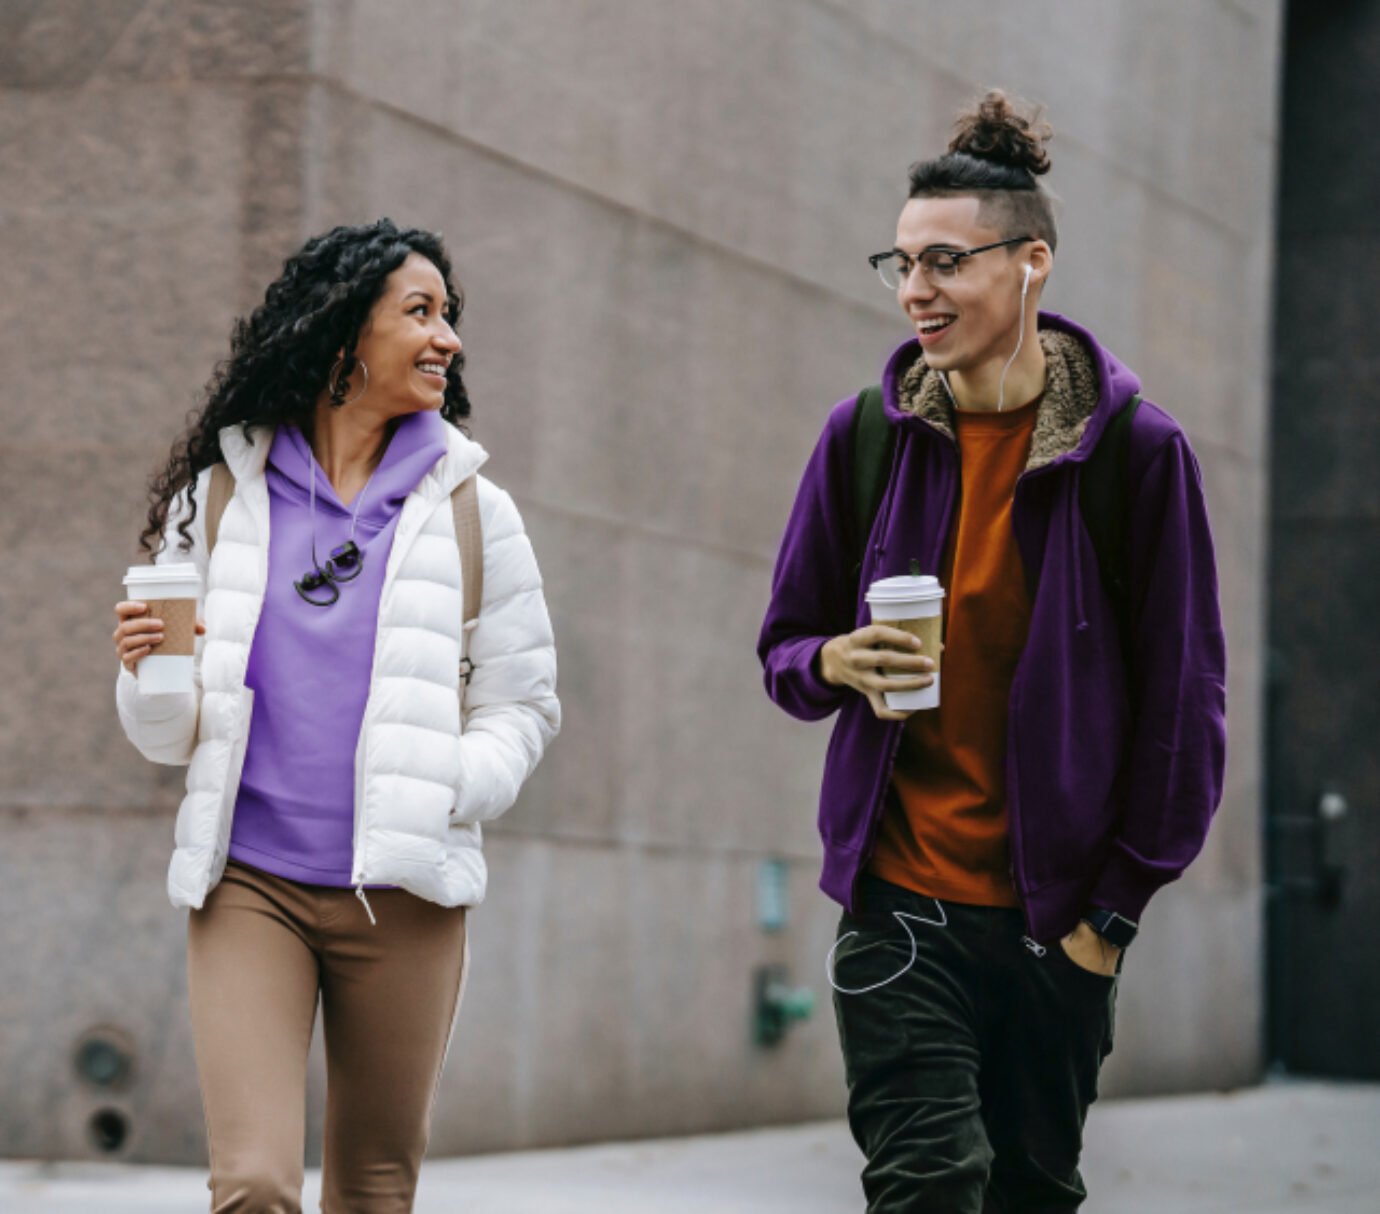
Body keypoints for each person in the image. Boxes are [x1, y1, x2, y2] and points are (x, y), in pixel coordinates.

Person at [758, 92, 1226, 1212]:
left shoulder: (1135, 456)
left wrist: (1106, 922)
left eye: (946, 261)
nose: (916, 289)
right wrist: (835, 661)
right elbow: (785, 644)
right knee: (929, 1183)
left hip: (1052, 924)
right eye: (902, 262)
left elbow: (1185, 708)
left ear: (1031, 264)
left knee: (1026, 1192)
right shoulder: (865, 435)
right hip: (897, 906)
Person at [112, 218, 560, 1212]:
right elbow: (164, 732)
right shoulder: (222, 495)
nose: (447, 337)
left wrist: (452, 781)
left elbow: (522, 702)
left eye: (451, 316)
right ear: (344, 333)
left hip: (406, 893)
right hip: (250, 885)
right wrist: (146, 670)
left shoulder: (475, 513)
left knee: (372, 1186)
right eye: (421, 311)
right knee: (255, 1183)